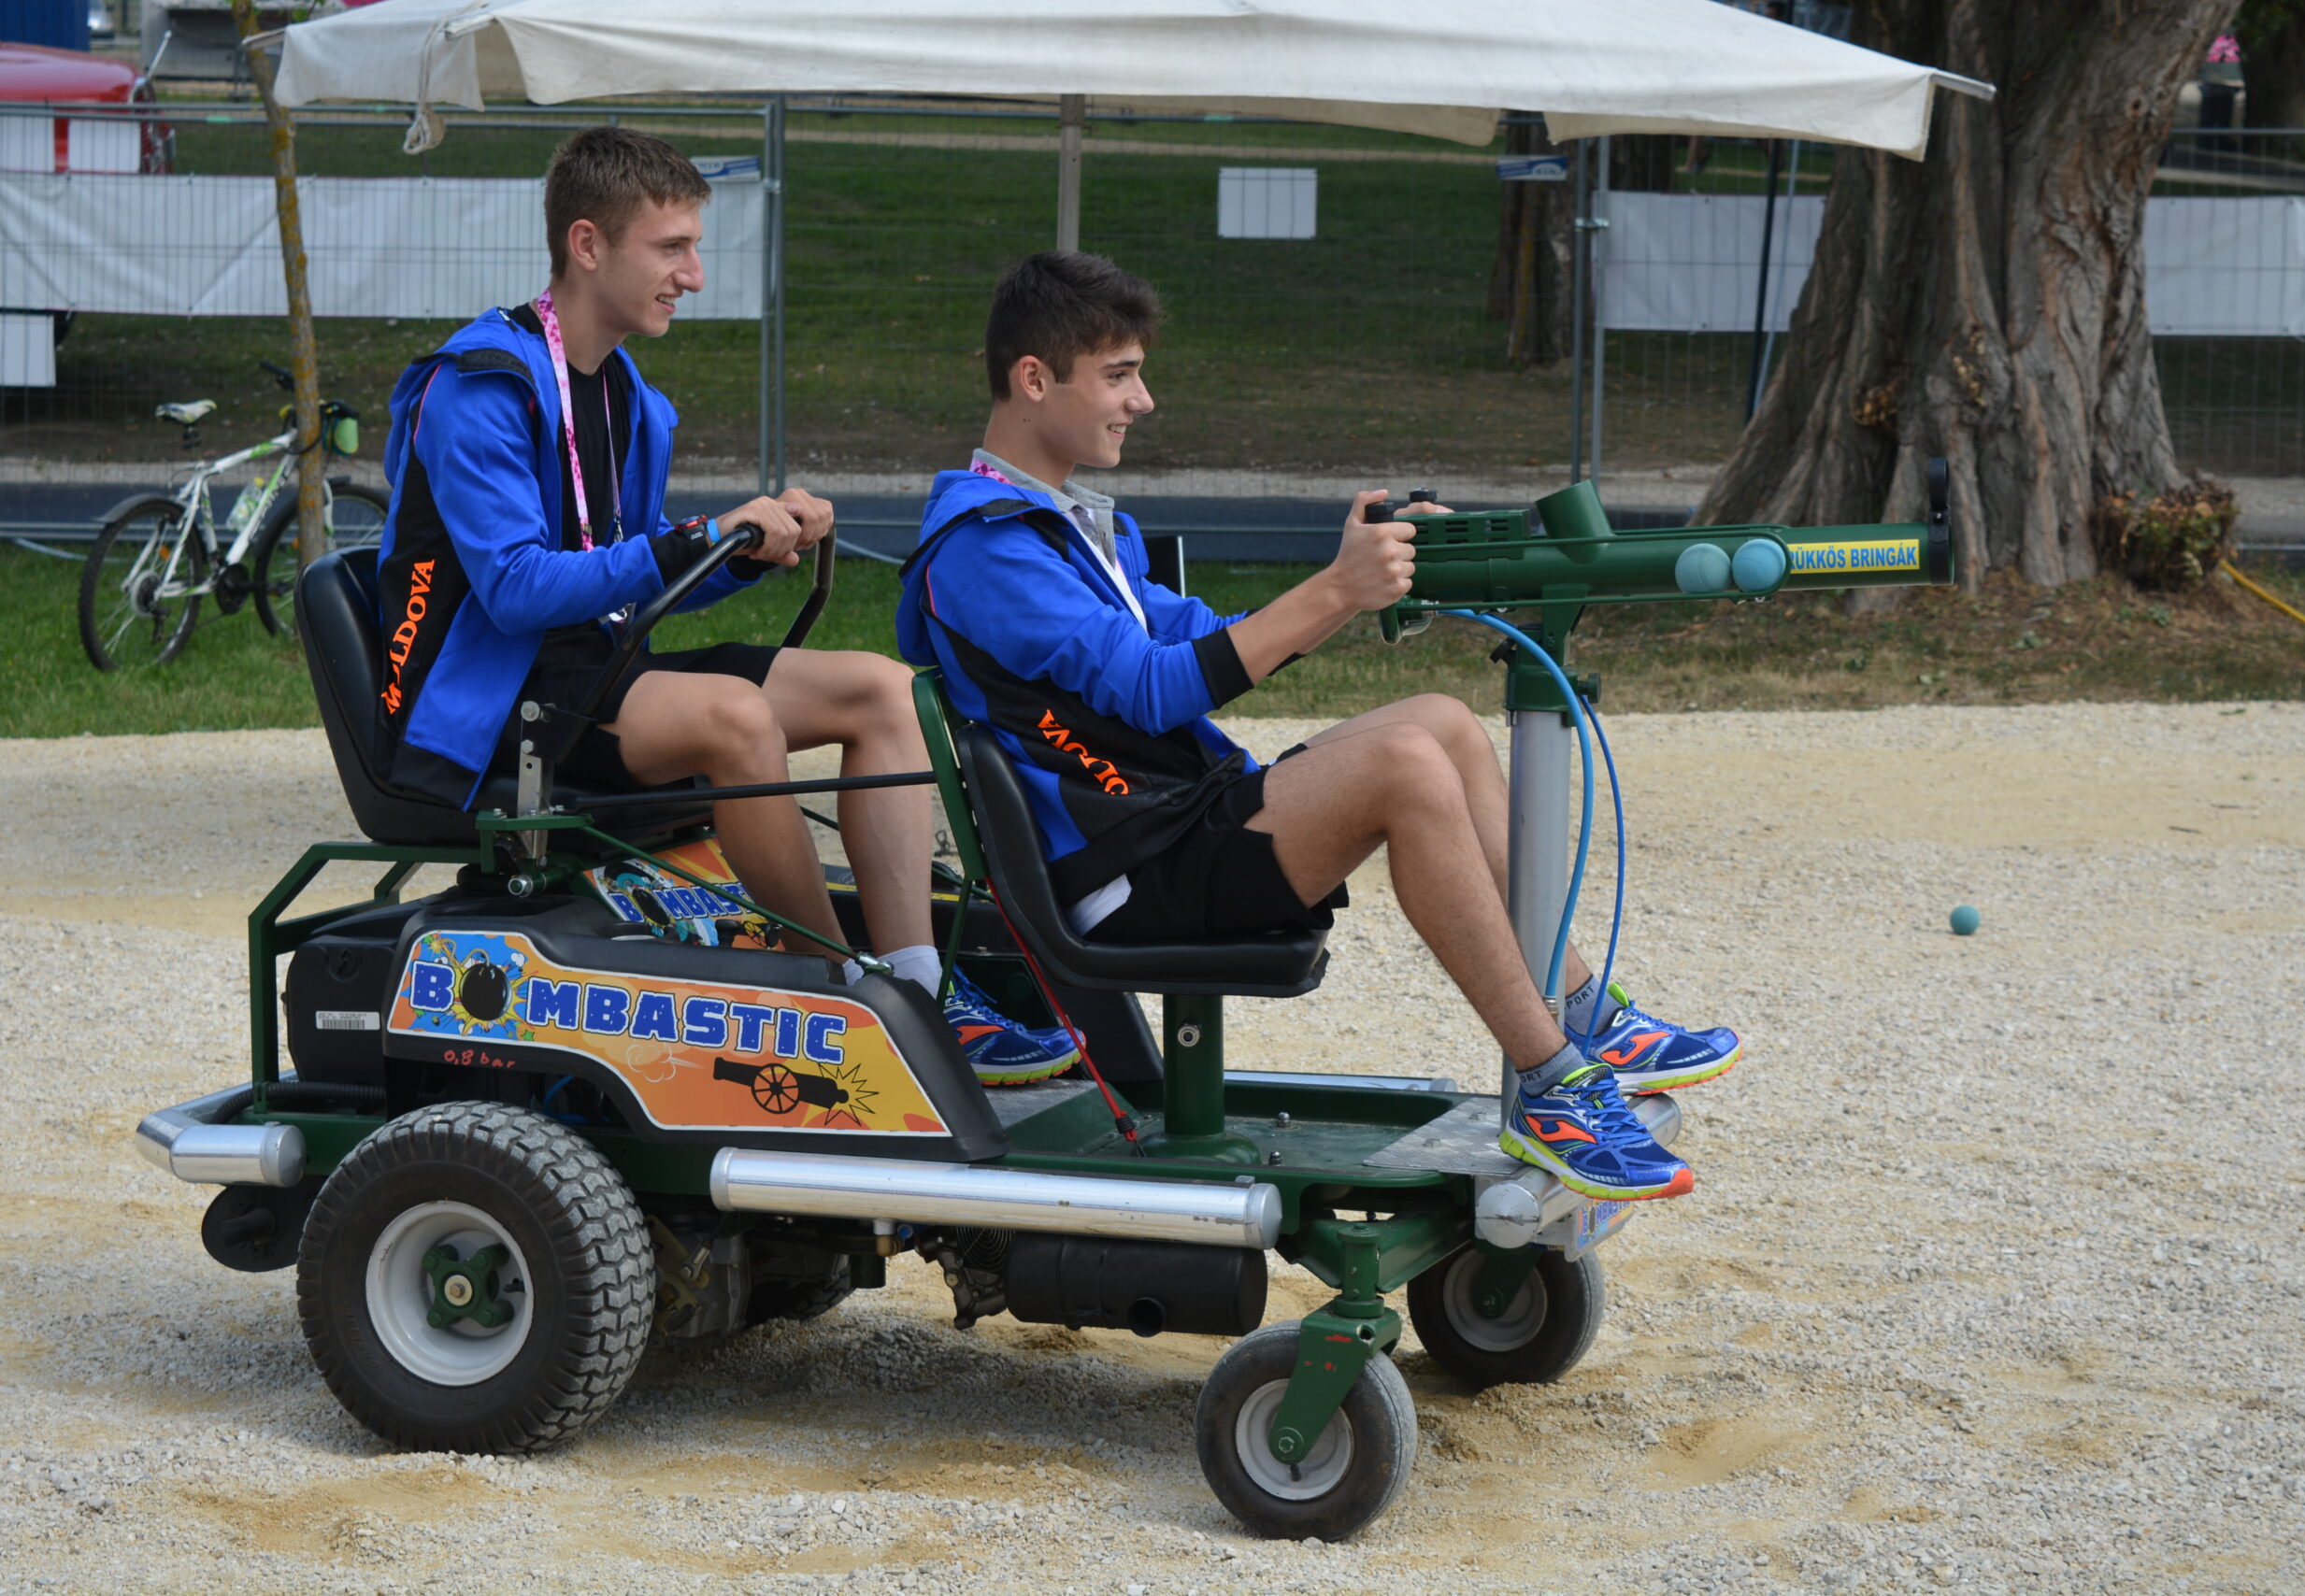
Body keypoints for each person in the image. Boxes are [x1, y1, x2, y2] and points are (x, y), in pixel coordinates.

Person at [895, 251, 1742, 1200]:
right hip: (1127, 874)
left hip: (1170, 828)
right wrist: (1338, 589)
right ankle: (1552, 1084)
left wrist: (1357, 574)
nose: (1143, 400)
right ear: (1034, 378)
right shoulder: (989, 548)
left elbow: (1201, 635)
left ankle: (1581, 1007)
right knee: (1404, 764)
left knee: (1442, 722)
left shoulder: (1062, 525)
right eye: (1119, 376)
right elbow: (1153, 689)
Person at [370, 127, 1075, 1085]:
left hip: (590, 671)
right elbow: (517, 587)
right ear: (588, 245)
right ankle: (845, 997)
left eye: (694, 248)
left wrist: (747, 552)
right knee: (736, 717)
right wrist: (693, 539)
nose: (694, 276)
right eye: (672, 248)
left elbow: (627, 572)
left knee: (884, 690)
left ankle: (921, 986)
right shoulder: (481, 385)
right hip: (490, 704)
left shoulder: (622, 391)